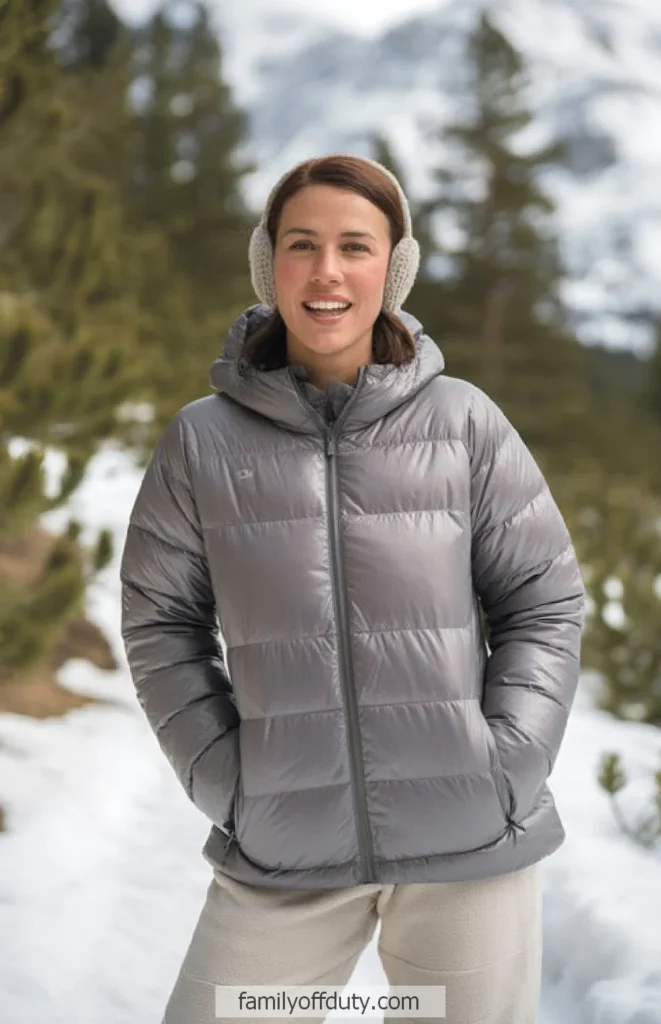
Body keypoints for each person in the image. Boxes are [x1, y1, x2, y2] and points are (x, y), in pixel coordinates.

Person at [120, 154, 586, 1024]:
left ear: (391, 269)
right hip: (283, 866)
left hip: (467, 853)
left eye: (354, 246)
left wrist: (507, 759)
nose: (327, 271)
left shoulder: (463, 424)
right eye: (302, 244)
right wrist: (227, 778)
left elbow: (543, 600)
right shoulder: (201, 441)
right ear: (270, 265)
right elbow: (160, 622)